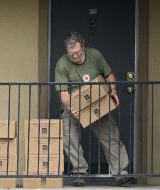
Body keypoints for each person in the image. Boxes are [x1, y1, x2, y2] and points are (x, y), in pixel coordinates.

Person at [55, 32, 130, 186]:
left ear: (84, 48)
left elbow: (109, 75)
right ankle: (79, 172)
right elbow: (63, 93)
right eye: (71, 54)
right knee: (69, 137)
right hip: (72, 106)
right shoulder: (62, 63)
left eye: (78, 52)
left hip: (97, 104)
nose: (75, 56)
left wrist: (114, 91)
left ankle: (121, 173)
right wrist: (71, 109)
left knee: (110, 136)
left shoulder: (95, 55)